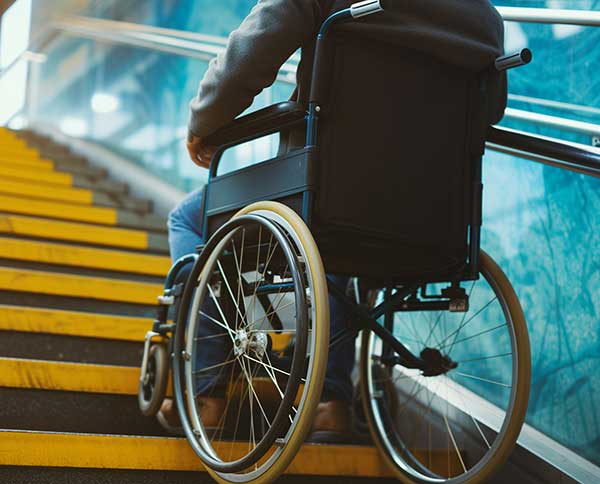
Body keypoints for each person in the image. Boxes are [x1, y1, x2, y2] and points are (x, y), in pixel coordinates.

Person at [158, 0, 505, 442]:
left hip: (329, 190)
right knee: (337, 240)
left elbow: (252, 50)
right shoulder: (483, 18)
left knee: (188, 217)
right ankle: (330, 400)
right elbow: (487, 113)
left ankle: (207, 386)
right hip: (432, 215)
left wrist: (204, 121)